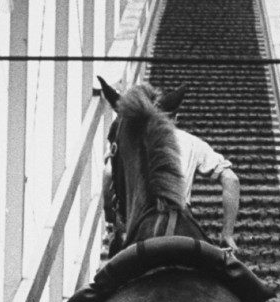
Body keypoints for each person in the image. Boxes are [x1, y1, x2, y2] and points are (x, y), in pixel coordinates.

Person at [102, 82, 241, 254]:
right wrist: (227, 234)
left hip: (141, 219)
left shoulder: (131, 141)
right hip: (182, 218)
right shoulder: (192, 142)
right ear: (175, 118)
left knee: (111, 269)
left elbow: (108, 175)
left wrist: (112, 219)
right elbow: (231, 179)